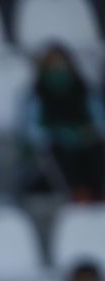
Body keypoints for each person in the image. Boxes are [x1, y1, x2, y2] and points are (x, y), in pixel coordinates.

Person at [24, 44, 105, 202]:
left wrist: (87, 132)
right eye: (52, 64)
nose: (57, 69)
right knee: (61, 152)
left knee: (97, 149)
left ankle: (100, 193)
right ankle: (78, 195)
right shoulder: (37, 93)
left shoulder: (83, 89)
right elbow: (32, 131)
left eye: (61, 63)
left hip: (86, 140)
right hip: (57, 142)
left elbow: (99, 121)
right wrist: (60, 134)